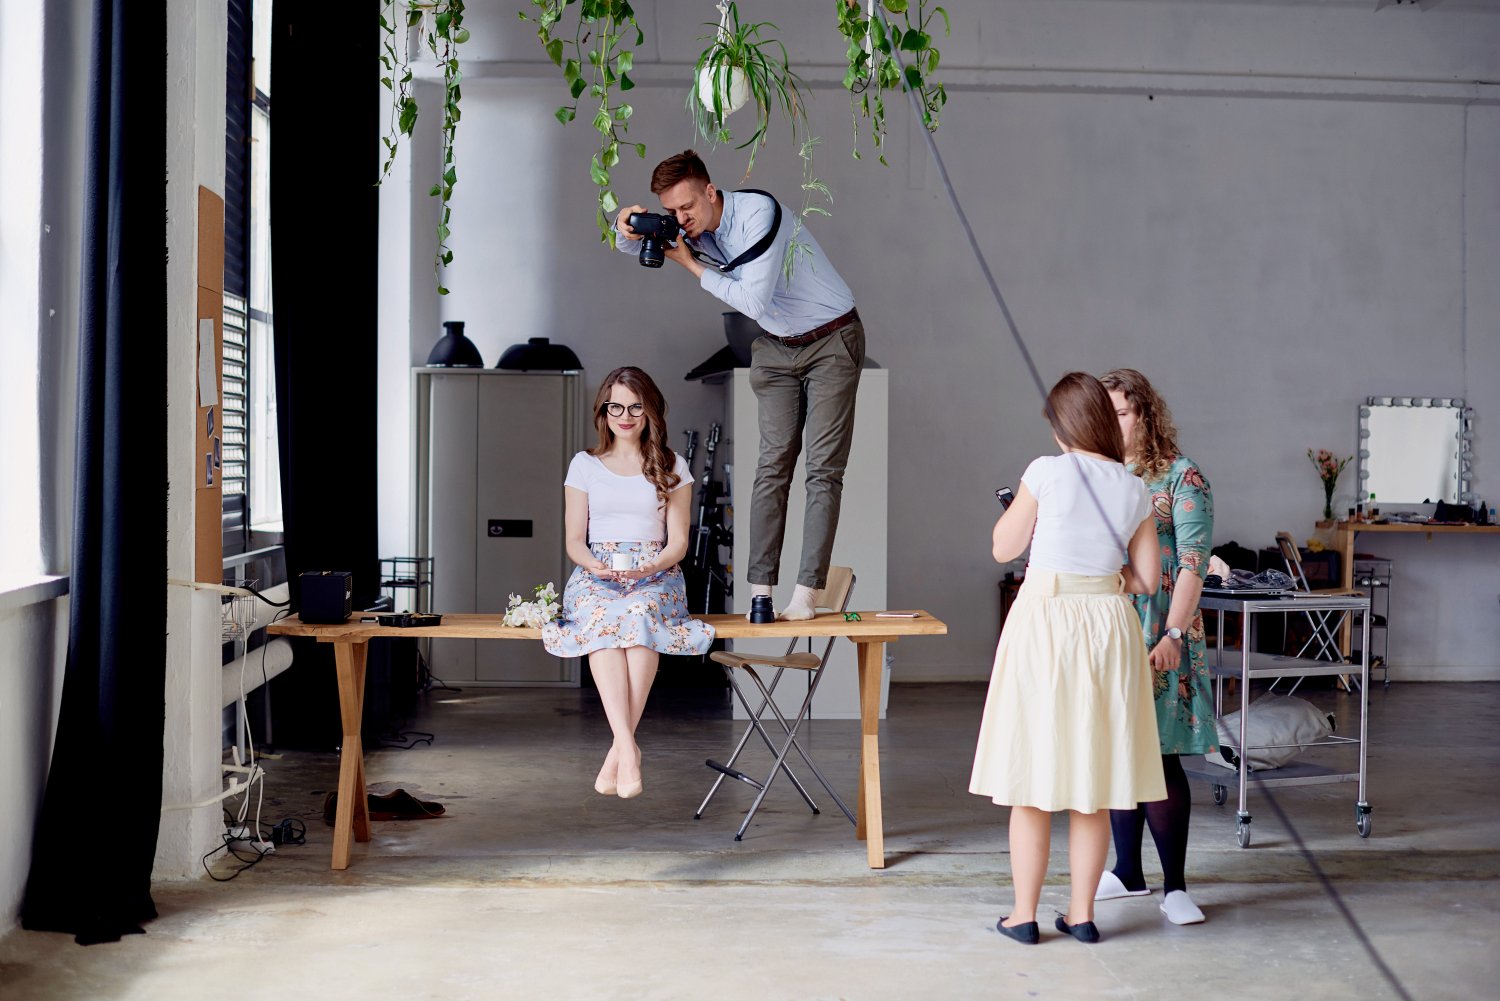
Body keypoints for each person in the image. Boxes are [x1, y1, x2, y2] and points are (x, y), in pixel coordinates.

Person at [615, 150, 863, 621]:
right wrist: (625, 226)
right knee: (771, 467)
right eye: (671, 211)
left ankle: (806, 595)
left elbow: (751, 301)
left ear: (711, 192)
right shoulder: (691, 225)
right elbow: (633, 245)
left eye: (687, 207)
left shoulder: (758, 215)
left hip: (832, 339)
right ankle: (761, 594)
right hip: (777, 346)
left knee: (822, 470)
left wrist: (690, 264)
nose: (680, 219)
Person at [969, 372, 1167, 945]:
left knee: (1033, 774)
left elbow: (1003, 547)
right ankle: (1082, 915)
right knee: (1093, 779)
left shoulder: (1045, 472)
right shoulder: (1133, 488)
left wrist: (1033, 521)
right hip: (1108, 623)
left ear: (1063, 427)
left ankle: (1023, 916)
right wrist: (1105, 567)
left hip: (1047, 619)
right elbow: (1147, 580)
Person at [541, 367, 714, 799]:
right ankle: (628, 749)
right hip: (596, 571)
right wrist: (596, 566)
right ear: (604, 411)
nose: (625, 416)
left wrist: (650, 567)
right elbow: (574, 541)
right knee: (604, 619)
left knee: (639, 617)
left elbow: (678, 543)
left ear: (650, 410)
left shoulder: (673, 465)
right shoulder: (584, 465)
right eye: (616, 407)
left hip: (656, 571)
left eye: (636, 407)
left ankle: (617, 753)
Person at [1095, 367, 1216, 926]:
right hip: (1110, 624)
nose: (1113, 423)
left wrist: (1173, 633)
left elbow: (1193, 563)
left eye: (1121, 412)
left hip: (1162, 628)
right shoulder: (1100, 474)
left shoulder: (1182, 477)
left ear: (1145, 414)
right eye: (1106, 414)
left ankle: (1175, 887)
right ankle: (1127, 871)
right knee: (1117, 750)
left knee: (1159, 754)